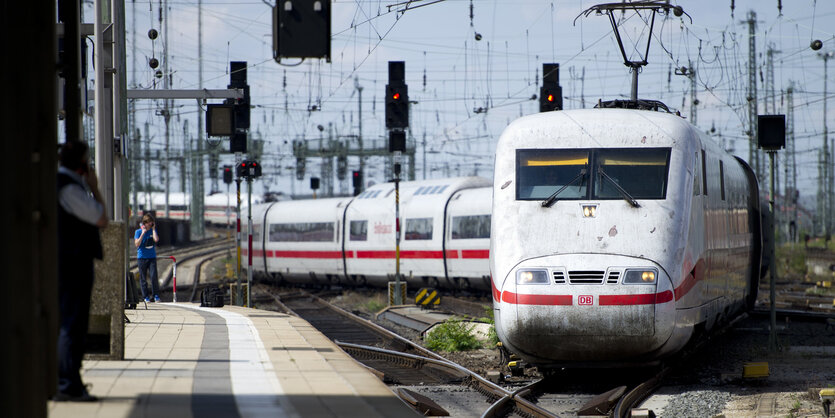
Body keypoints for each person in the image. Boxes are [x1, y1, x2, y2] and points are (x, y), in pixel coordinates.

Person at [55, 140, 107, 402]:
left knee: (71, 323)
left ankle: (68, 381)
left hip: (68, 264)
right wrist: (95, 188)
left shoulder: (64, 186)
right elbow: (101, 218)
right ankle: (68, 384)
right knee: (72, 325)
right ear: (82, 165)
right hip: (71, 266)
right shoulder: (70, 190)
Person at [134, 214, 160, 303]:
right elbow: (137, 244)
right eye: (149, 222)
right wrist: (143, 233)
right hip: (142, 258)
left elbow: (156, 239)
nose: (150, 224)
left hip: (152, 257)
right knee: (143, 278)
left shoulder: (153, 231)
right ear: (145, 223)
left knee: (153, 276)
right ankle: (146, 296)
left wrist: (153, 230)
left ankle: (156, 295)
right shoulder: (138, 232)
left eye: (151, 222)